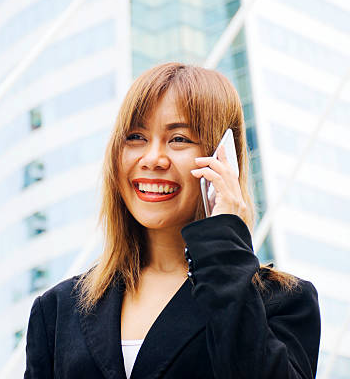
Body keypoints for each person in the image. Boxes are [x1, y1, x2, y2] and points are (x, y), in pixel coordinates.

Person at [24, 62, 321, 379]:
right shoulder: (57, 311)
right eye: (136, 137)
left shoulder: (283, 302)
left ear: (223, 159)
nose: (152, 159)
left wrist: (224, 240)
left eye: (179, 139)